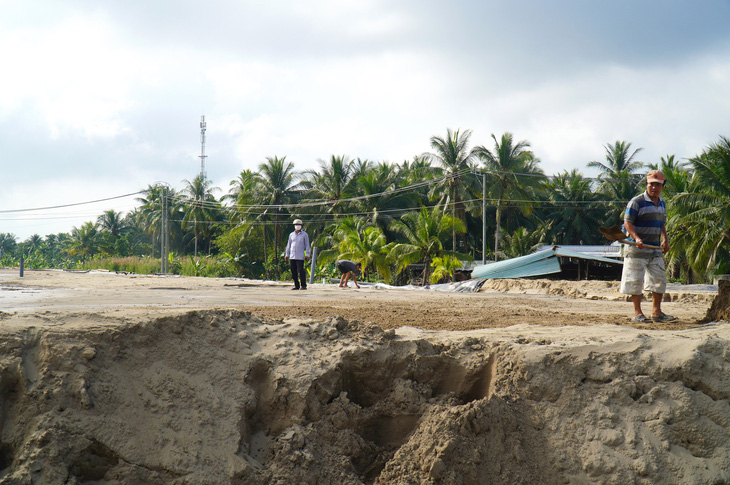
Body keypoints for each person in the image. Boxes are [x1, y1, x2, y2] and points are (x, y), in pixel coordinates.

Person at [620, 170, 676, 323]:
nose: (654, 187)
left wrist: (665, 240)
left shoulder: (662, 203)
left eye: (658, 184)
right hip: (636, 249)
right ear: (647, 184)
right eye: (651, 184)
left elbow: (661, 224)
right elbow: (627, 223)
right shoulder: (636, 202)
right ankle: (638, 313)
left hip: (654, 249)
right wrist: (637, 238)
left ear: (662, 186)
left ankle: (656, 313)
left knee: (659, 280)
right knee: (634, 281)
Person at [284, 218, 311, 290]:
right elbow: (289, 245)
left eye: (299, 224)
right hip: (292, 256)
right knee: (293, 272)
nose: (297, 226)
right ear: (294, 225)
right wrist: (287, 254)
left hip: (300, 256)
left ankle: (303, 285)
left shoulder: (304, 235)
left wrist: (307, 255)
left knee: (301, 271)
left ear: (301, 225)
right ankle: (296, 285)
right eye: (296, 224)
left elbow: (307, 245)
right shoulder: (291, 235)